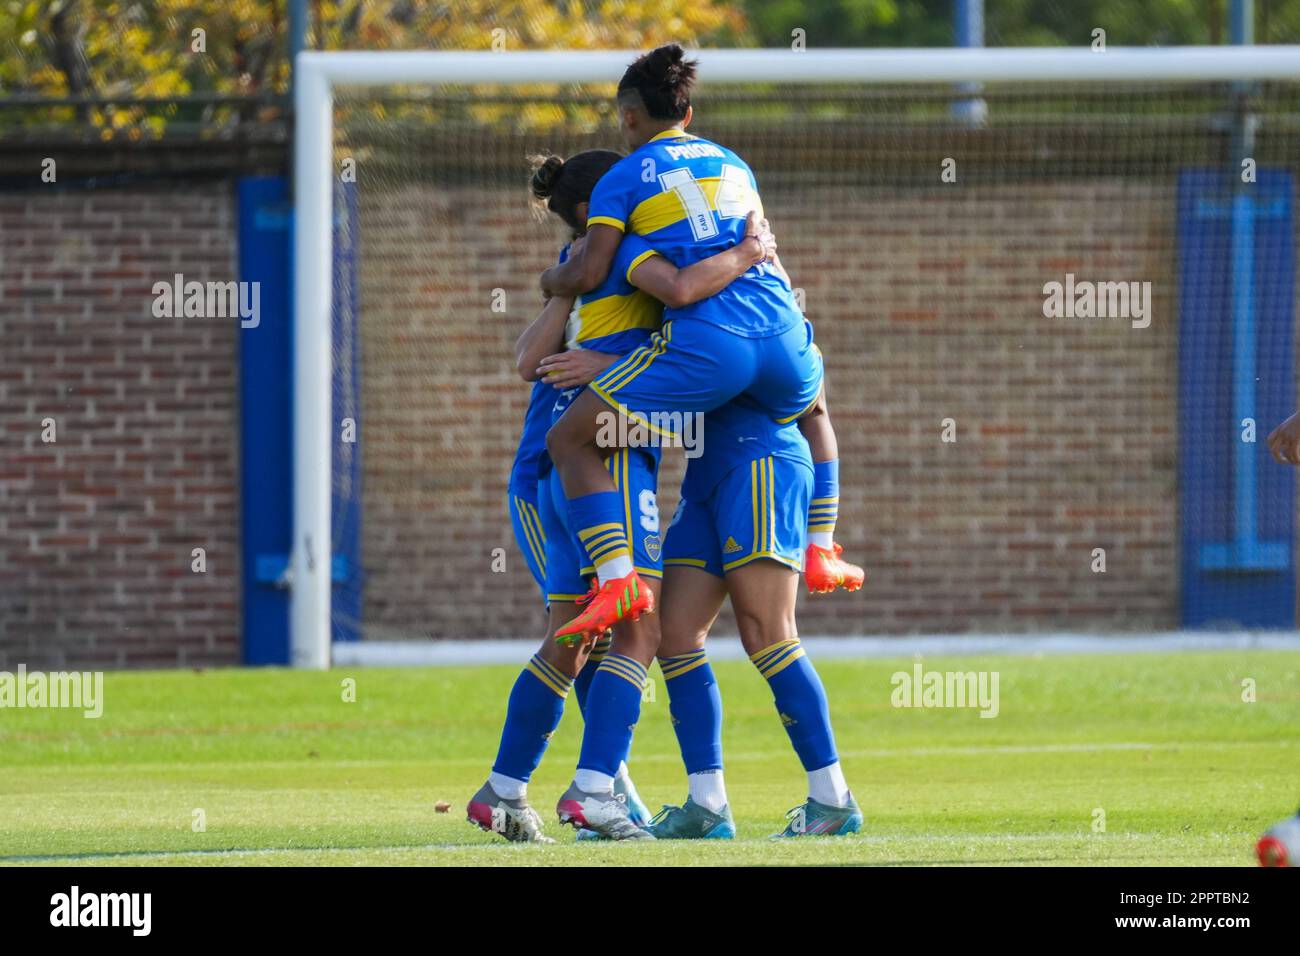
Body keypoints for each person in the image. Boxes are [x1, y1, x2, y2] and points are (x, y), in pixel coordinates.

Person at [470, 150, 780, 841]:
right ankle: (596, 791)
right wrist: (751, 250)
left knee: (574, 635)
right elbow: (686, 308)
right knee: (641, 626)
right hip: (606, 459)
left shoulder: (580, 264)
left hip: (554, 468)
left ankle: (506, 789)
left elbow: (529, 362)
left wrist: (565, 291)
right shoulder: (639, 256)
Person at [541, 43, 861, 646]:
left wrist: (550, 281)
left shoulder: (621, 181)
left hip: (714, 345)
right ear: (687, 113)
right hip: (784, 332)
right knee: (814, 409)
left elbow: (601, 274)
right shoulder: (735, 165)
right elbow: (764, 251)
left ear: (629, 118)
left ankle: (617, 580)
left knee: (570, 437)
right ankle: (823, 543)